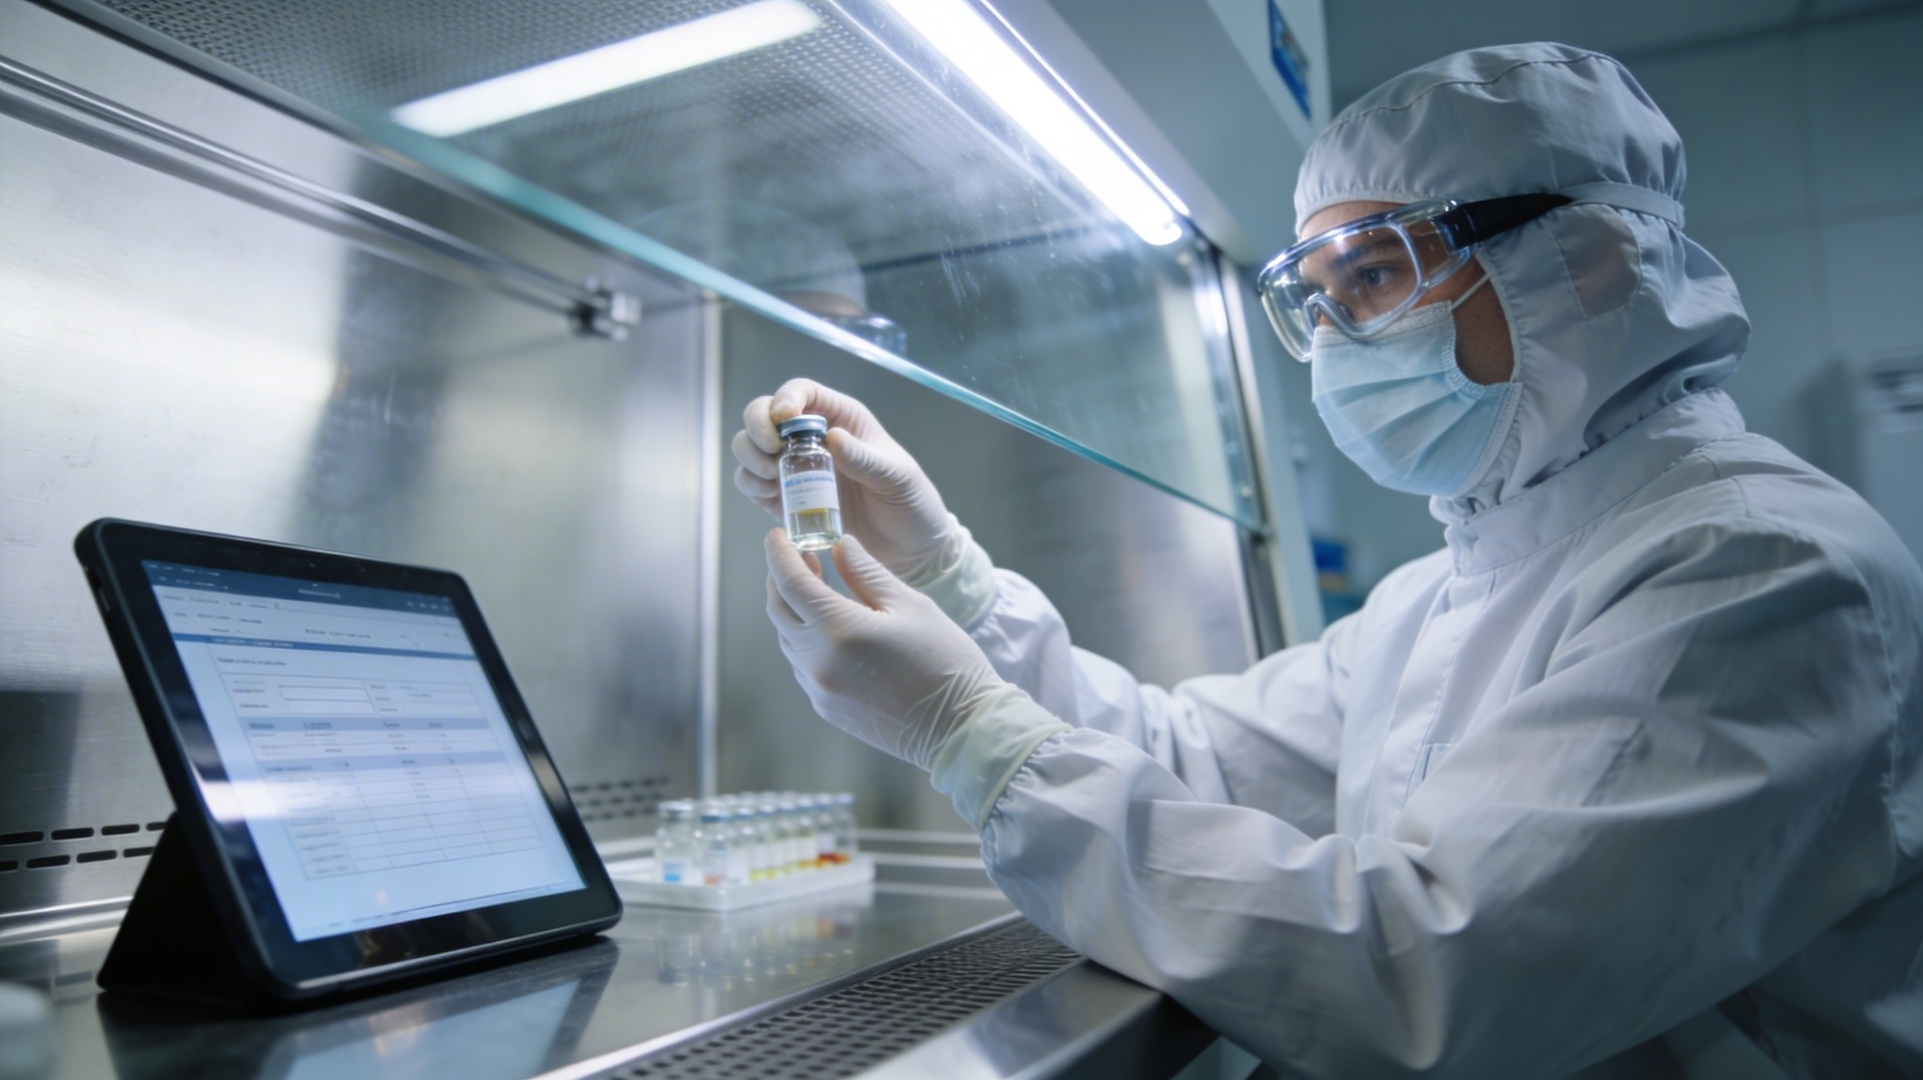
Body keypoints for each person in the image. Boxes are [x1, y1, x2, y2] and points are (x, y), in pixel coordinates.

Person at [732, 43, 1923, 1079]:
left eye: (1375, 273)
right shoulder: (1448, 586)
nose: (1336, 340)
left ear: (1589, 257)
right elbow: (1195, 762)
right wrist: (951, 578)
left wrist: (971, 734)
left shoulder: (1762, 569)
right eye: (1314, 296)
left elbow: (1426, 984)